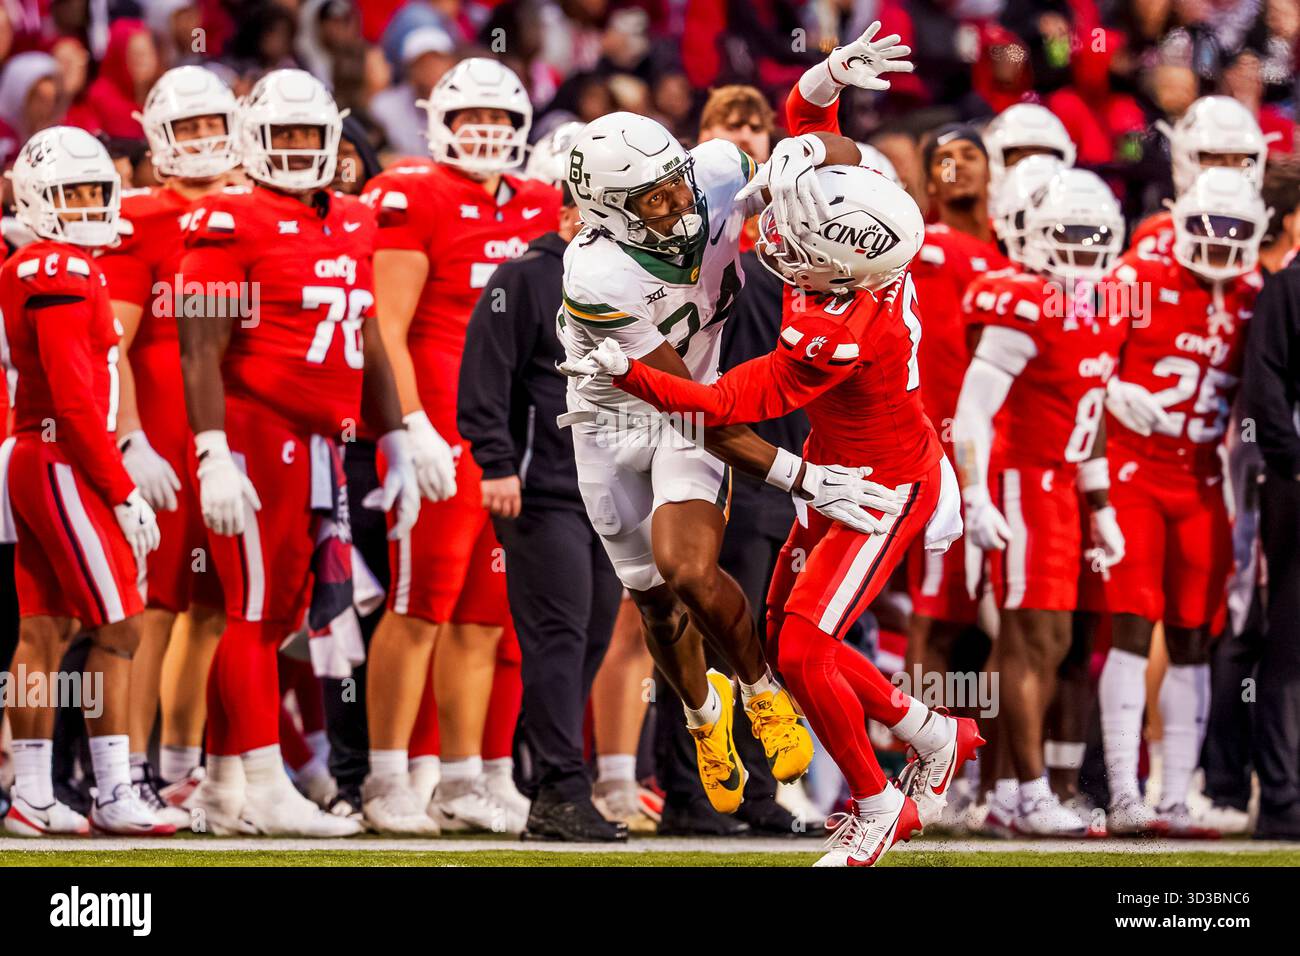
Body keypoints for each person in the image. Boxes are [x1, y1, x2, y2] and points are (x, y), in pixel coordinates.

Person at [564, 163, 980, 867]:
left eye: (807, 244)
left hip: (874, 488)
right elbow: (821, 159)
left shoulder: (836, 332)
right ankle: (934, 733)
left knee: (803, 650)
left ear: (845, 270)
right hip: (846, 460)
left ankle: (879, 805)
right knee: (784, 639)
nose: (784, 240)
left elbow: (721, 406)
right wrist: (822, 86)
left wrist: (629, 375)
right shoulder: (863, 267)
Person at [178, 69, 417, 837]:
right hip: (255, 431)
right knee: (252, 613)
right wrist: (212, 449)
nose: (292, 150)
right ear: (252, 137)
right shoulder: (225, 219)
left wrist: (400, 438)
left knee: (275, 612)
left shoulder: (354, 217)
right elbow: (197, 349)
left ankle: (223, 789)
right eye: (279, 135)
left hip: (320, 441)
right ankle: (262, 782)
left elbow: (370, 340)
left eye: (307, 136)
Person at [359, 58, 556, 835]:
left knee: (485, 617)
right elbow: (387, 327)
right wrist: (408, 426)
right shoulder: (413, 194)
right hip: (437, 432)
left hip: (510, 442)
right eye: (471, 115)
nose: (488, 131)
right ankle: (384, 778)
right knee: (418, 608)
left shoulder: (540, 204)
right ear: (436, 119)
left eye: (503, 119)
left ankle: (462, 775)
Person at [1, 126, 170, 836]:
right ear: (38, 197)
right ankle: (112, 788)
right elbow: (74, 400)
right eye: (67, 194)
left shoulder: (59, 264)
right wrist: (123, 488)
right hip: (59, 457)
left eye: (94, 192)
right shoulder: (55, 270)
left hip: (41, 455)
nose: (83, 206)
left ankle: (34, 794)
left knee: (45, 627)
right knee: (122, 625)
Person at [955, 167, 1128, 836]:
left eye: (1094, 236)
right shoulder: (1020, 304)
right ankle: (1026, 796)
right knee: (1033, 640)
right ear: (1030, 236)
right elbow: (971, 415)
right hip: (1024, 481)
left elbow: (1087, 414)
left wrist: (1101, 503)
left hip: (1061, 486)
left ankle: (1003, 791)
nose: (1083, 250)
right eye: (1069, 235)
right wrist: (973, 492)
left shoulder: (1102, 307)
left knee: (1050, 642)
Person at [1094, 167, 1265, 837]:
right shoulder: (1141, 272)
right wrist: (1110, 391)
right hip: (1134, 471)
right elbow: (1082, 356)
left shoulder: (1254, 290)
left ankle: (1173, 797)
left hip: (1201, 479)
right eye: (1209, 231)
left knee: (1195, 633)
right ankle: (1125, 795)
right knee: (1133, 628)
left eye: (1235, 234)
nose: (1221, 245)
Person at [458, 176, 625, 842]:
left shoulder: (632, 285)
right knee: (558, 634)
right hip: (544, 486)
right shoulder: (524, 276)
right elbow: (486, 371)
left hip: (610, 491)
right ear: (567, 216)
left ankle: (549, 775)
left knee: (591, 634)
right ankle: (559, 787)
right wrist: (495, 460)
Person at [96, 64, 241, 821]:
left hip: (236, 439)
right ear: (158, 137)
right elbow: (111, 341)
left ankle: (184, 765)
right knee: (152, 607)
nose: (202, 140)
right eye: (186, 128)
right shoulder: (139, 217)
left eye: (212, 124)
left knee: (215, 608)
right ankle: (133, 766)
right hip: (161, 437)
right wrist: (129, 438)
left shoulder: (253, 209)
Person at [1242, 181, 1300, 842]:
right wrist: (1292, 458)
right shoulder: (1288, 287)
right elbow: (1265, 383)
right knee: (1291, 636)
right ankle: (1282, 799)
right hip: (1296, 480)